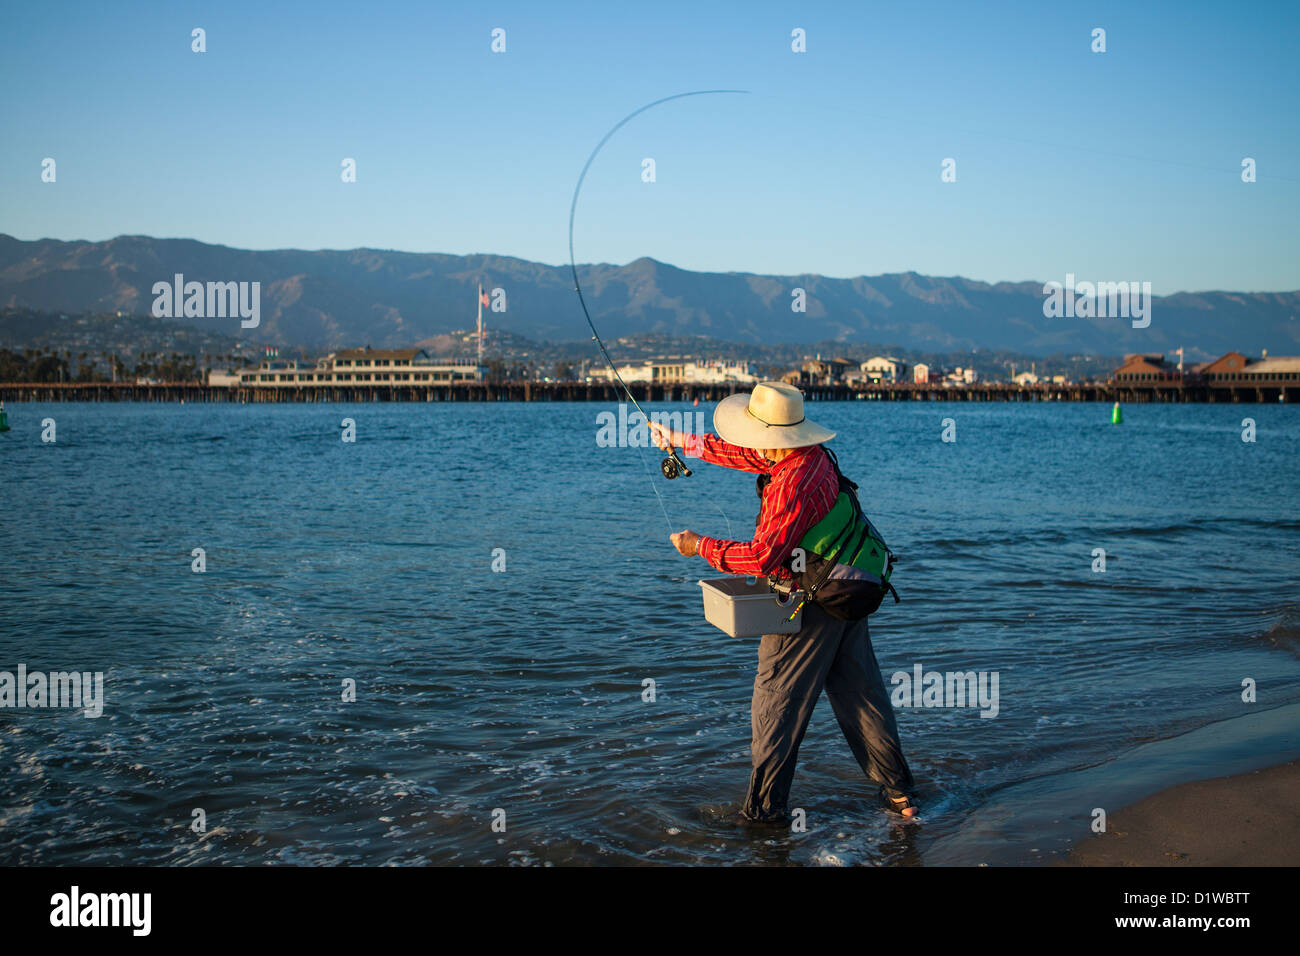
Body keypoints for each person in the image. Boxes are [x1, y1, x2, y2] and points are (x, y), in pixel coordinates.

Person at [648, 381, 919, 823]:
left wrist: (699, 546)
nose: (751, 442)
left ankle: (764, 818)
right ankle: (901, 798)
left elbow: (762, 556)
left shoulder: (791, 481)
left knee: (775, 704)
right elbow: (743, 455)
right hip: (848, 586)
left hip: (809, 603)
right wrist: (683, 441)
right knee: (861, 699)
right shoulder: (809, 456)